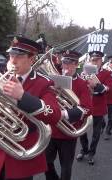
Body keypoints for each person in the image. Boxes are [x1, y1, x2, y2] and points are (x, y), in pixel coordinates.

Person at [0, 36, 61, 180]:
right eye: (11, 55)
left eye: (19, 56)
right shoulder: (2, 78)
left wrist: (22, 96)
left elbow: (54, 114)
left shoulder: (44, 83)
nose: (13, 60)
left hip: (23, 152)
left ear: (32, 59)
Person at [44, 50, 92, 180]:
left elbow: (87, 108)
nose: (65, 66)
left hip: (68, 132)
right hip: (52, 130)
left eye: (69, 63)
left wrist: (64, 113)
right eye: (64, 63)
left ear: (76, 65)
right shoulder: (53, 80)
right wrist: (51, 92)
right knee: (46, 163)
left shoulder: (82, 84)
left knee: (66, 166)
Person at [76, 51, 112, 165]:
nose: (95, 62)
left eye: (97, 60)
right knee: (82, 130)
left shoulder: (106, 73)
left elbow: (108, 88)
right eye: (93, 60)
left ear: (102, 61)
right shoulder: (83, 72)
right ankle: (84, 149)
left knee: (96, 133)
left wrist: (97, 85)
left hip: (98, 106)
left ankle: (92, 153)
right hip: (85, 105)